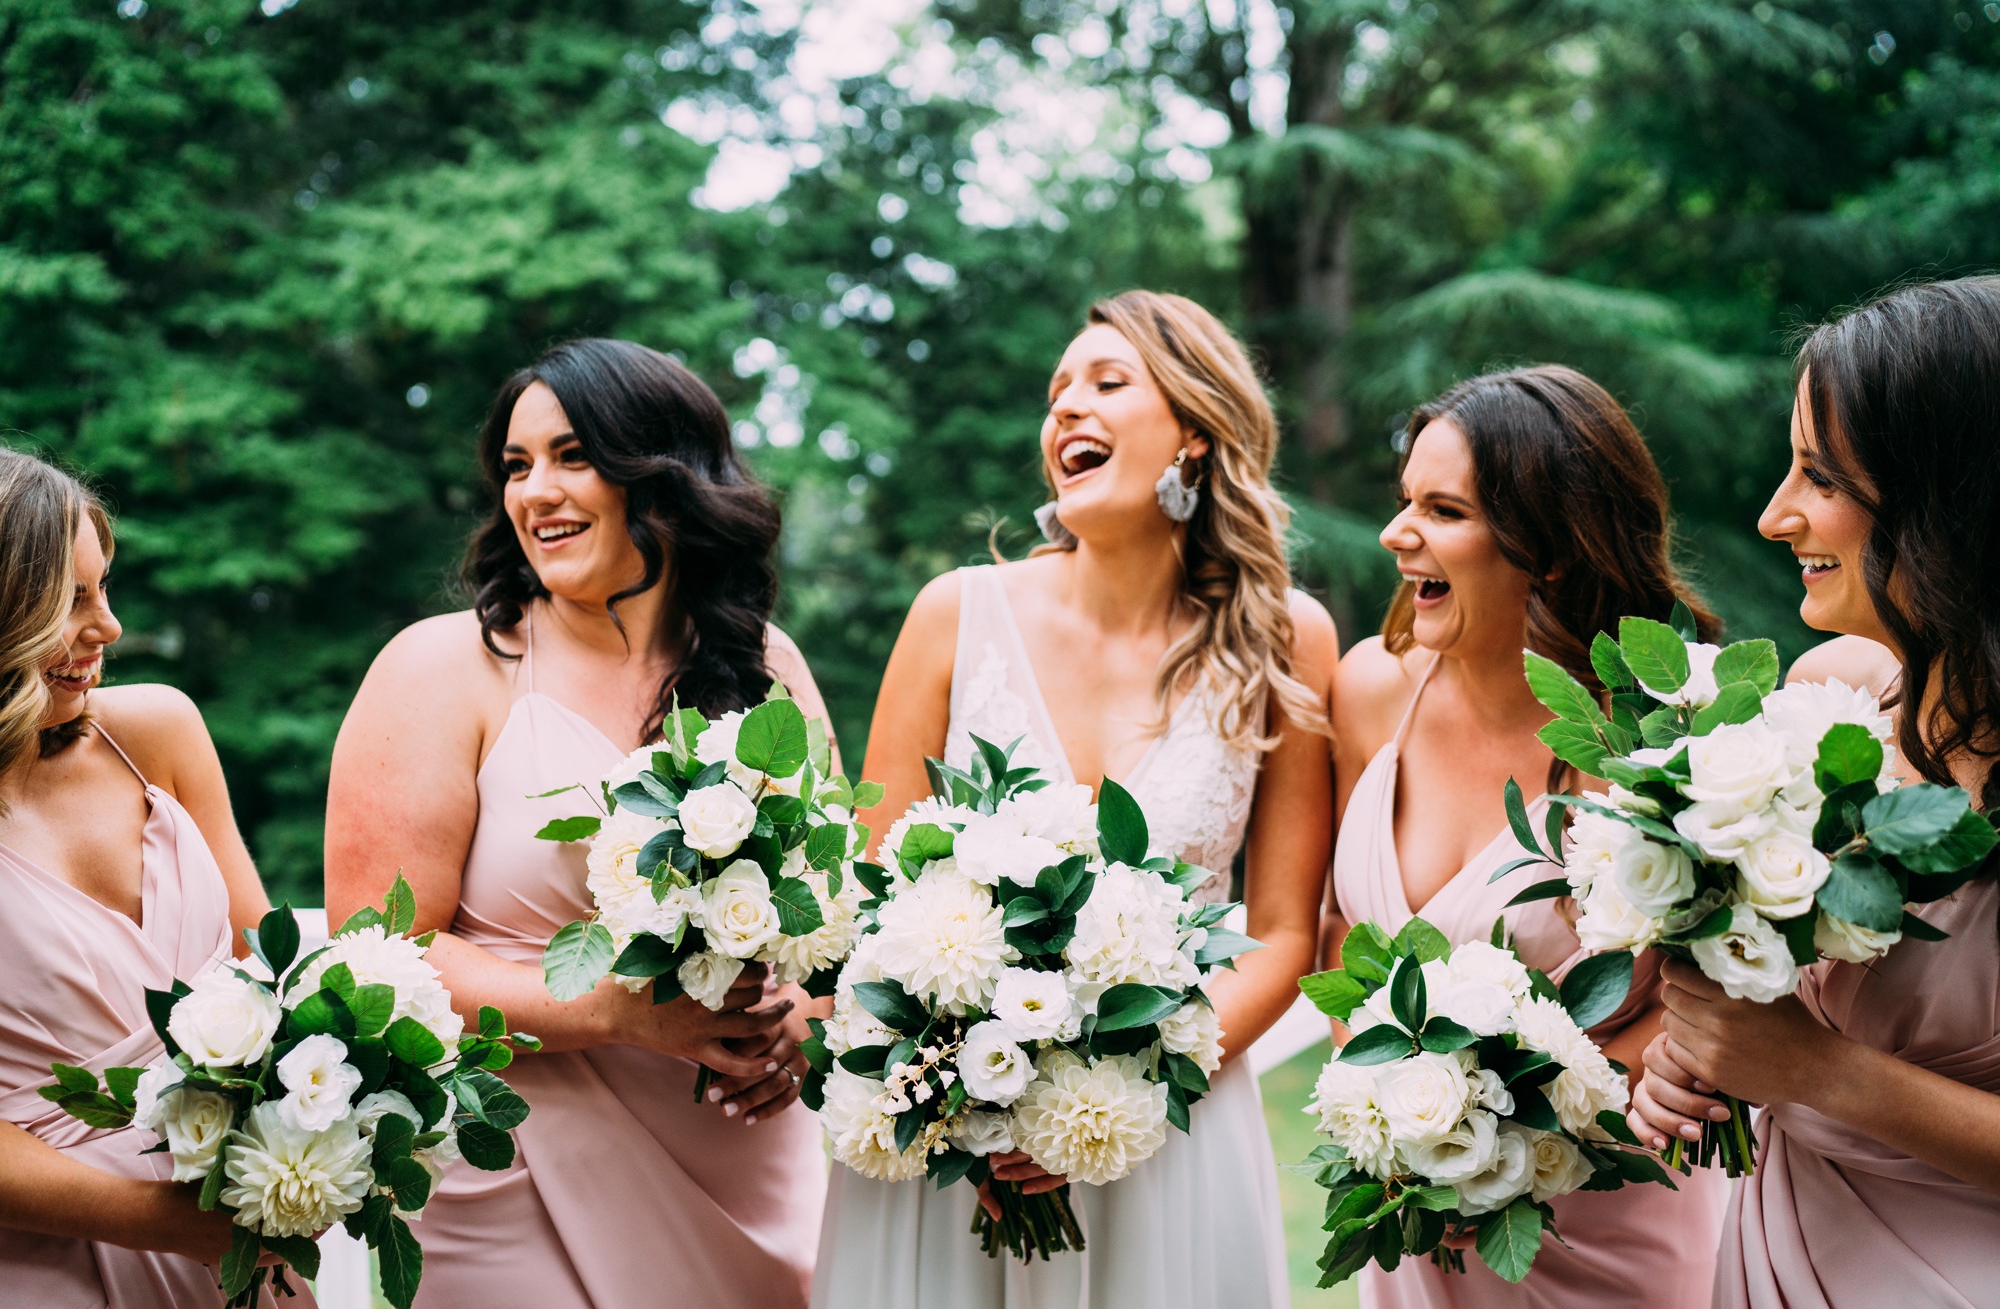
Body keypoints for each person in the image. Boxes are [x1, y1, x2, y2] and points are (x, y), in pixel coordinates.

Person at [810, 290, 1337, 1309]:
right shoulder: (953, 613)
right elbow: (869, 894)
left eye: (1104, 382)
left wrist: (1125, 1085)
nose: (1064, 410)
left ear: (1192, 430)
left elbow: (1280, 931)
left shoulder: (1285, 638)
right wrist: (972, 1083)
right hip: (955, 1133)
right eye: (1056, 391)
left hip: (1167, 1137)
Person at [324, 340, 828, 1308]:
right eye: (516, 466)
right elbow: (376, 956)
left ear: (667, 475)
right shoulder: (441, 669)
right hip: (515, 1163)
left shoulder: (767, 664)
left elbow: (829, 912)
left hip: (742, 1152)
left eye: (572, 456)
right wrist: (612, 1011)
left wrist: (795, 1024)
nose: (535, 492)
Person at [1629, 276, 2000, 1308]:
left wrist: (1816, 1072)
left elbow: (1814, 1057)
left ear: (1949, 489)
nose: (1770, 514)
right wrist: (1697, 1054)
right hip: (1770, 1257)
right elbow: (1777, 1020)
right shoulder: (1824, 703)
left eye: (1817, 476)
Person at [1327, 366, 1731, 1307]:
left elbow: (1712, 1001)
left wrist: (1511, 1143)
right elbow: (1336, 934)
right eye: (1403, 502)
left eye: (1443, 509)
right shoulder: (1368, 690)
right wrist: (1397, 1124)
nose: (1396, 534)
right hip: (1417, 1215)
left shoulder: (1667, 731)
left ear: (1547, 550)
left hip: (1615, 1225)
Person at [0, 450, 300, 1306]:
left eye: (106, 588)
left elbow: (277, 974)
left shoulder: (158, 731)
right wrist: (167, 1222)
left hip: (241, 1231)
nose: (111, 627)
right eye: (72, 601)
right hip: (52, 1261)